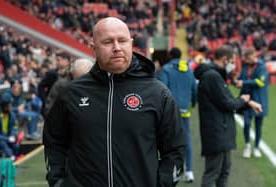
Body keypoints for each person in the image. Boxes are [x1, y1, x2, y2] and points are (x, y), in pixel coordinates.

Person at [43, 17, 186, 187]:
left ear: (131, 44)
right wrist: (58, 182)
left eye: (122, 40)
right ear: (93, 48)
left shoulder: (158, 93)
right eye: (108, 42)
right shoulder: (72, 94)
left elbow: (175, 149)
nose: (117, 48)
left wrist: (163, 184)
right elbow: (54, 142)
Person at [194, 45, 262, 187]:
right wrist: (244, 100)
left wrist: (247, 103)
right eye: (232, 61)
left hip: (222, 132)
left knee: (224, 172)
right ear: (225, 60)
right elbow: (228, 103)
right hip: (217, 133)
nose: (233, 65)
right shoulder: (212, 76)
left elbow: (228, 101)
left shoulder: (215, 76)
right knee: (212, 174)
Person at [157, 47, 197, 182]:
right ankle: (189, 171)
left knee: (167, 142)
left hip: (170, 112)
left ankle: (173, 173)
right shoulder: (189, 70)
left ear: (170, 55)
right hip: (185, 111)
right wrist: (192, 105)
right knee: (187, 141)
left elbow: (162, 90)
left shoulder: (166, 70)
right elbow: (194, 90)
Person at [234, 47, 269, 158]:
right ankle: (248, 146)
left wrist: (243, 82)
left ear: (254, 56)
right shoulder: (245, 66)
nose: (246, 61)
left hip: (259, 99)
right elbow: (241, 77)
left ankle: (257, 147)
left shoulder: (262, 67)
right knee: (247, 123)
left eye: (248, 59)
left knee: (258, 126)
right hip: (246, 100)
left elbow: (260, 82)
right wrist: (237, 78)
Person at [0, 93, 20, 160]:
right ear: (4, 106)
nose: (10, 107)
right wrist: (7, 139)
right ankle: (11, 156)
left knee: (16, 146)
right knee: (2, 144)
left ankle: (14, 158)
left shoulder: (12, 116)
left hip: (9, 137)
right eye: (8, 105)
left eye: (10, 105)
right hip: (0, 138)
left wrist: (13, 135)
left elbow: (14, 128)